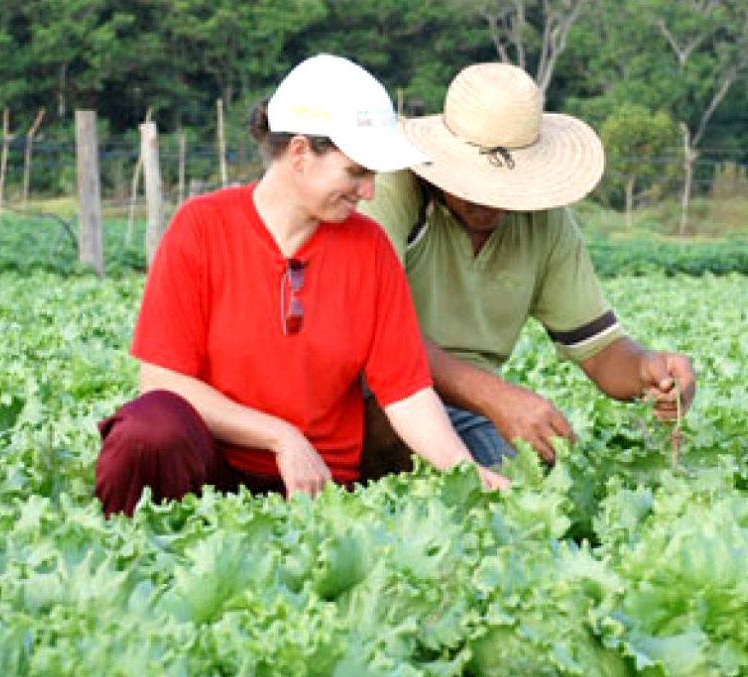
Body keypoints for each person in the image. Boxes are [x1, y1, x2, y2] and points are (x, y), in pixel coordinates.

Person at [95, 54, 510, 517]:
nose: (369, 191)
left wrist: (466, 471)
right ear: (299, 153)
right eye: (356, 171)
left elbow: (406, 392)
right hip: (213, 466)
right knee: (148, 429)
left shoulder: (369, 247)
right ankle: (133, 556)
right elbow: (162, 380)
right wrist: (280, 436)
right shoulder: (202, 226)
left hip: (316, 487)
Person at [358, 62, 696, 476]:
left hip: (469, 409)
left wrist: (647, 369)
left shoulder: (544, 220)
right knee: (418, 447)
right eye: (472, 182)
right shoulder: (391, 190)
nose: (489, 199)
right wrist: (495, 397)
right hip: (378, 398)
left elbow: (600, 349)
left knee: (544, 479)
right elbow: (377, 335)